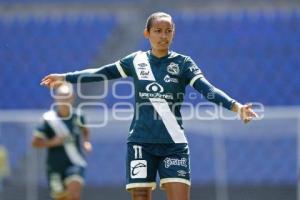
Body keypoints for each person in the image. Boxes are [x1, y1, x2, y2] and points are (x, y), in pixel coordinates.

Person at [40, 12, 258, 200]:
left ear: (173, 33)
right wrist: (66, 77)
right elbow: (101, 72)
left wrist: (236, 107)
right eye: (158, 30)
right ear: (147, 33)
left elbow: (207, 89)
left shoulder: (183, 63)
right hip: (140, 144)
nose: (163, 36)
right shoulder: (136, 61)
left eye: (168, 31)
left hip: (174, 144)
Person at [32, 83, 92, 200]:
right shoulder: (48, 119)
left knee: (73, 194)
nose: (64, 99)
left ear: (72, 97)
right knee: (60, 197)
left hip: (75, 162)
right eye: (61, 96)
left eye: (67, 96)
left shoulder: (78, 116)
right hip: (55, 166)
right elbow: (35, 142)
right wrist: (52, 142)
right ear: (56, 97)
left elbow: (85, 129)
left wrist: (86, 142)